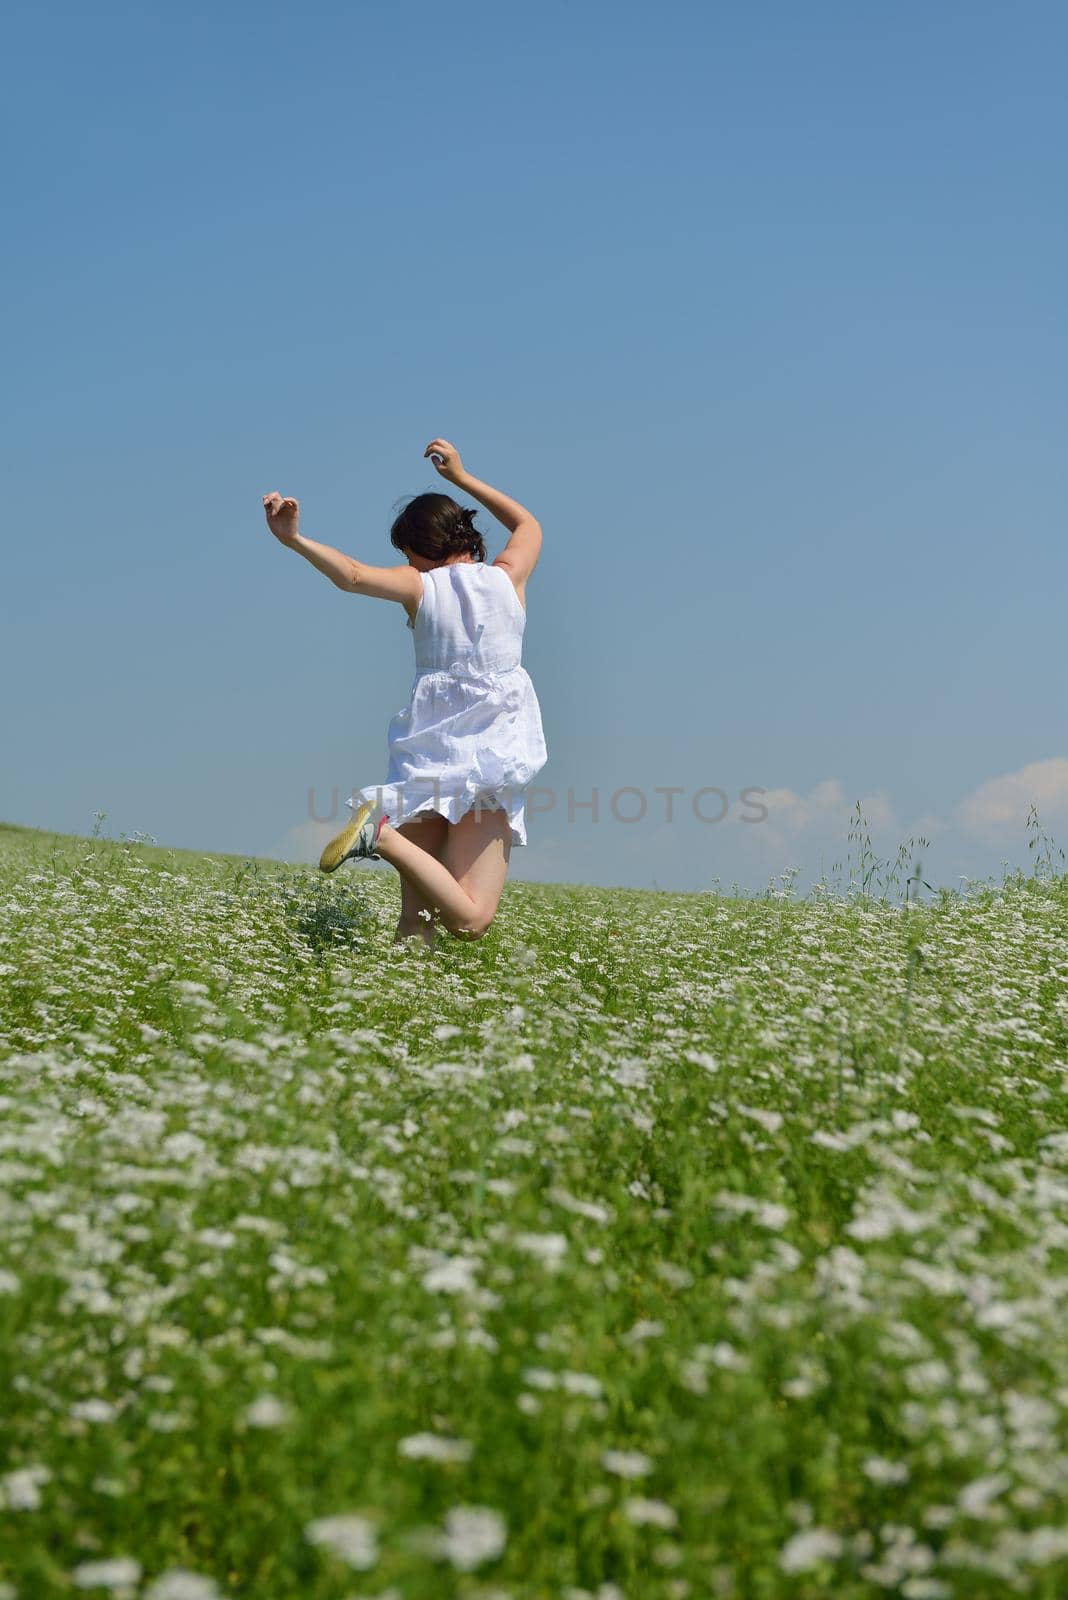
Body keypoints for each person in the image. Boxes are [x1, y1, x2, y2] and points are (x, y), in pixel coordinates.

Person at [262, 438, 548, 946]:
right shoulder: (508, 579)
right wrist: (461, 477)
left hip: (424, 760)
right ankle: (381, 836)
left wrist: (295, 541)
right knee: (470, 921)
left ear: (419, 549)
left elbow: (350, 576)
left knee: (419, 923)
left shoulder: (420, 587)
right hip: (489, 763)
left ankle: (400, 1006)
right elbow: (528, 525)